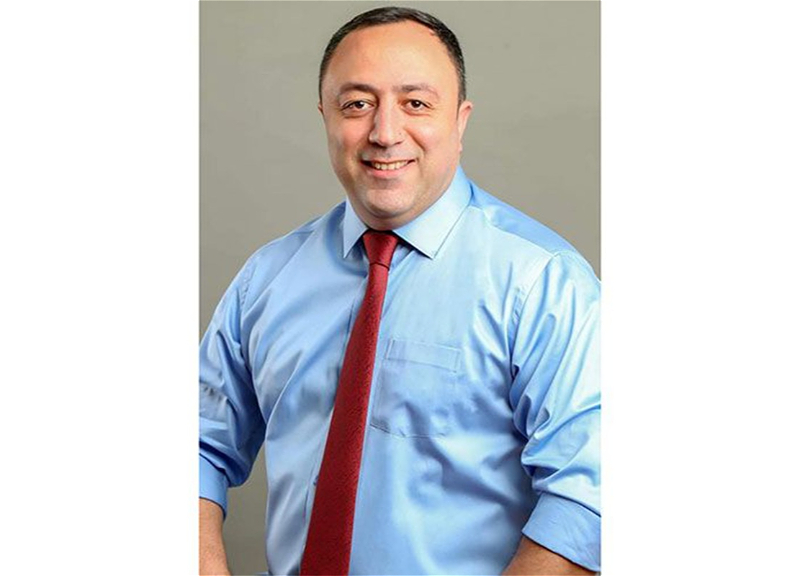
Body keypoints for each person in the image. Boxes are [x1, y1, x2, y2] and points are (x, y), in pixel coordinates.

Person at [199, 6, 600, 575]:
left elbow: (588, 497)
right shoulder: (265, 280)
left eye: (415, 103)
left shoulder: (543, 282)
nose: (385, 133)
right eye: (357, 104)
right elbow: (196, 445)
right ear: (325, 117)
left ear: (459, 120)